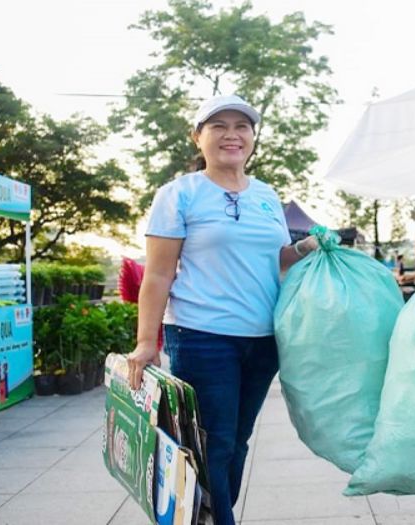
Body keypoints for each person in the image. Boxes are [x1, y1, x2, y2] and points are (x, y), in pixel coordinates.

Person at [125, 94, 317, 525]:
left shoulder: (267, 195)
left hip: (263, 338)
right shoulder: (179, 194)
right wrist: (145, 343)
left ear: (252, 138)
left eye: (242, 126)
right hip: (202, 335)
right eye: (219, 126)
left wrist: (305, 248)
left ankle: (208, 515)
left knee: (238, 441)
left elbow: (274, 259)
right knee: (215, 443)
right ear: (198, 137)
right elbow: (157, 275)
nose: (232, 135)